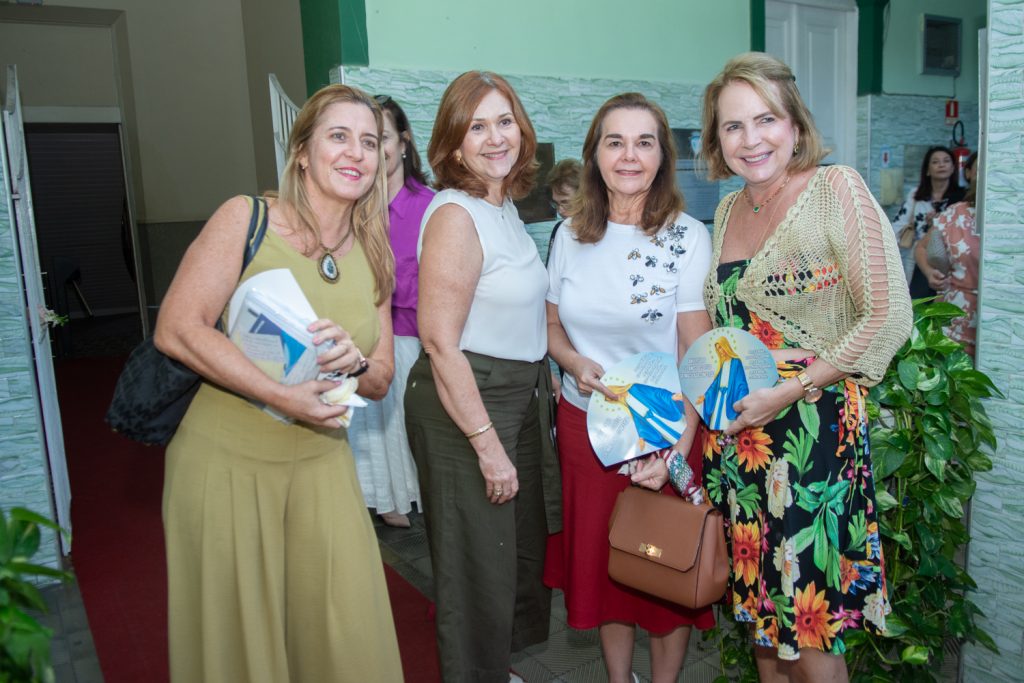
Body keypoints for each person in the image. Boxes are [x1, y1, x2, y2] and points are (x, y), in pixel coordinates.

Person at [155, 84, 402, 683]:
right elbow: (177, 328)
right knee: (242, 645)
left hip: (322, 463)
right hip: (226, 466)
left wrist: (356, 362)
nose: (356, 153)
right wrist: (280, 395)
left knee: (347, 632)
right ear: (302, 152)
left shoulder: (375, 249)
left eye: (369, 141)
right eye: (338, 137)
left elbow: (383, 377)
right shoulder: (248, 217)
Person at [698, 53, 912, 681]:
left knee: (812, 626)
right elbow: (728, 330)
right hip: (746, 442)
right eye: (733, 126)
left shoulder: (835, 188)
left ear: (795, 124)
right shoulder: (726, 211)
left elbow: (886, 315)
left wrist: (793, 385)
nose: (751, 139)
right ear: (718, 140)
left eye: (766, 119)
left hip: (813, 438)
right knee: (766, 623)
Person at [544, 92, 715, 683]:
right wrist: (572, 361)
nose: (629, 155)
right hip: (584, 429)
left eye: (644, 142)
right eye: (615, 141)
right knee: (604, 567)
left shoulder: (687, 237)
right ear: (595, 153)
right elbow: (550, 324)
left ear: (662, 155)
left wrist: (678, 448)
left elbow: (698, 350)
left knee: (663, 566)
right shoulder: (570, 235)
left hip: (665, 426)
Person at [403, 70, 560, 683]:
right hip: (467, 400)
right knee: (475, 563)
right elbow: (441, 342)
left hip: (518, 393)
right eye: (477, 126)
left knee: (515, 550)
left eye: (504, 122)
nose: (495, 138)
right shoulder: (455, 214)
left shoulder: (504, 207)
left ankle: (497, 667)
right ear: (453, 141)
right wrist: (487, 446)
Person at [348, 94, 433, 528]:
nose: (373, 149)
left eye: (379, 137)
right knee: (375, 432)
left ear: (403, 142)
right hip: (365, 341)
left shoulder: (430, 206)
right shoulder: (353, 205)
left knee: (408, 428)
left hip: (416, 340)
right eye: (364, 139)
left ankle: (413, 496)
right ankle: (384, 497)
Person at [915, 152, 980, 359]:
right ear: (969, 173)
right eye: (981, 169)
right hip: (953, 320)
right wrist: (929, 272)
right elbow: (922, 247)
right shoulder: (956, 214)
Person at [892, 145, 965, 299]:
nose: (941, 165)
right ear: (927, 170)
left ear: (953, 168)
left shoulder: (961, 197)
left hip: (949, 260)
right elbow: (897, 225)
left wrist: (940, 221)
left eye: (946, 161)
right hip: (918, 257)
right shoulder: (916, 195)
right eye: (935, 162)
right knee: (917, 302)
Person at [697, 336, 750, 430]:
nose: (720, 351)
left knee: (727, 424)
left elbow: (741, 384)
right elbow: (715, 385)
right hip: (718, 398)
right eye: (717, 349)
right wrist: (705, 396)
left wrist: (742, 399)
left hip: (729, 397)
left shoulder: (736, 362)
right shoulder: (722, 364)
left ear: (725, 346)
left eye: (720, 347)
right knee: (715, 422)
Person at [545, 157, 582, 260]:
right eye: (556, 203)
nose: (560, 211)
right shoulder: (558, 229)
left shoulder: (603, 230)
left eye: (566, 203)